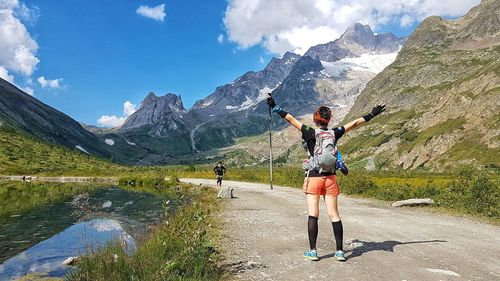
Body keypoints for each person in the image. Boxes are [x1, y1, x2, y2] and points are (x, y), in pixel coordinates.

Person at [267, 93, 385, 262]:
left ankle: (313, 251)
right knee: (334, 214)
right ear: (329, 119)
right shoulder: (334, 133)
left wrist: (274, 106)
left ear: (316, 119)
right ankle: (339, 252)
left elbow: (290, 119)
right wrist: (372, 114)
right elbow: (355, 123)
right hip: (331, 178)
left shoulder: (309, 132)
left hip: (314, 177)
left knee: (313, 214)